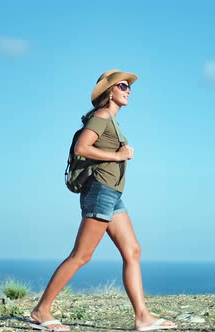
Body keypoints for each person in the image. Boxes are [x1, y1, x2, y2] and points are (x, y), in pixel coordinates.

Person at [29, 70, 177, 331]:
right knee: (81, 255)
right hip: (100, 191)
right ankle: (42, 310)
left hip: (113, 194)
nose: (128, 90)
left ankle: (142, 316)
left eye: (129, 87)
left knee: (133, 251)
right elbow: (82, 148)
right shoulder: (102, 116)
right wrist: (118, 157)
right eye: (122, 85)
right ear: (109, 91)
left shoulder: (113, 121)